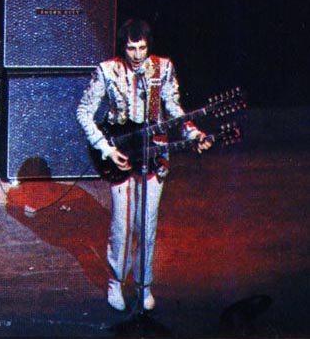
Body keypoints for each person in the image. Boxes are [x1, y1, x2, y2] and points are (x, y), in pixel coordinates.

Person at [76, 19, 212, 311]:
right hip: (122, 151)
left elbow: (173, 108)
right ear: (122, 47)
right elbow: (84, 112)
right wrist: (106, 148)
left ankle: (143, 285)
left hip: (154, 152)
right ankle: (115, 283)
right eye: (131, 48)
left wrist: (193, 132)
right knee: (122, 225)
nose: (137, 55)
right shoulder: (107, 70)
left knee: (147, 225)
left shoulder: (161, 69)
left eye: (142, 48)